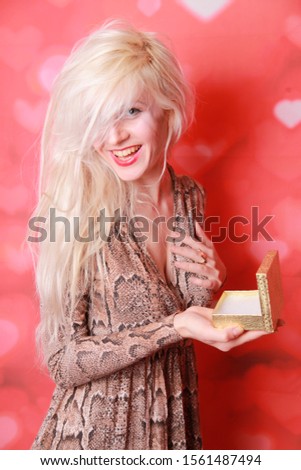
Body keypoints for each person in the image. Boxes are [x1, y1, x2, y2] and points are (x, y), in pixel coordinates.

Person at [30, 20, 266, 450]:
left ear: (167, 108)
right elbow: (63, 360)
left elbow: (192, 314)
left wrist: (211, 284)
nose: (114, 136)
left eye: (130, 111)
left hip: (173, 430)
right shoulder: (75, 210)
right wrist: (173, 326)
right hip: (92, 440)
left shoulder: (189, 196)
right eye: (98, 120)